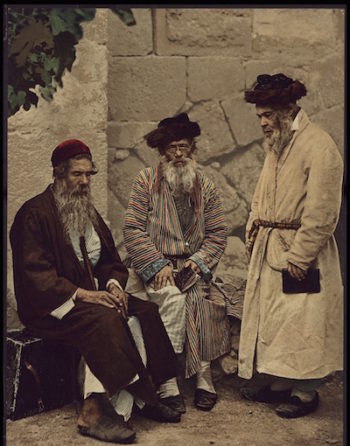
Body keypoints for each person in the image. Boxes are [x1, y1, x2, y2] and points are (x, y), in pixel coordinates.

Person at [10, 139, 183, 445]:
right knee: (104, 320)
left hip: (90, 299)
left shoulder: (87, 212)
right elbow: (37, 276)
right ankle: (93, 410)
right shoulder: (33, 214)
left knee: (144, 311)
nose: (84, 182)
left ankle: (145, 395)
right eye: (77, 174)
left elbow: (109, 262)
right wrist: (87, 295)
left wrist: (113, 286)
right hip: (50, 307)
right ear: (58, 174)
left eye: (89, 175)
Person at [238, 73, 344, 418]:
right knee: (277, 319)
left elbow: (323, 210)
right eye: (260, 117)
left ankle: (306, 392)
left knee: (304, 321)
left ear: (288, 108)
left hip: (302, 250)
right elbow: (262, 193)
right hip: (271, 244)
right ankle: (281, 382)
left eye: (268, 115)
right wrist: (254, 228)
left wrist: (301, 254)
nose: (264, 123)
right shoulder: (278, 144)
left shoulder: (319, 145)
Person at [123, 113, 231, 413]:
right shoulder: (145, 182)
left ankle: (204, 378)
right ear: (162, 151)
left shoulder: (205, 186)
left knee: (200, 300)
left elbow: (219, 232)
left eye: (184, 146)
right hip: (156, 269)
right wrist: (157, 265)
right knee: (171, 299)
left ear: (193, 148)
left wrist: (198, 263)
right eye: (172, 148)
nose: (179, 154)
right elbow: (132, 229)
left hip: (192, 269)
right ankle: (166, 380)